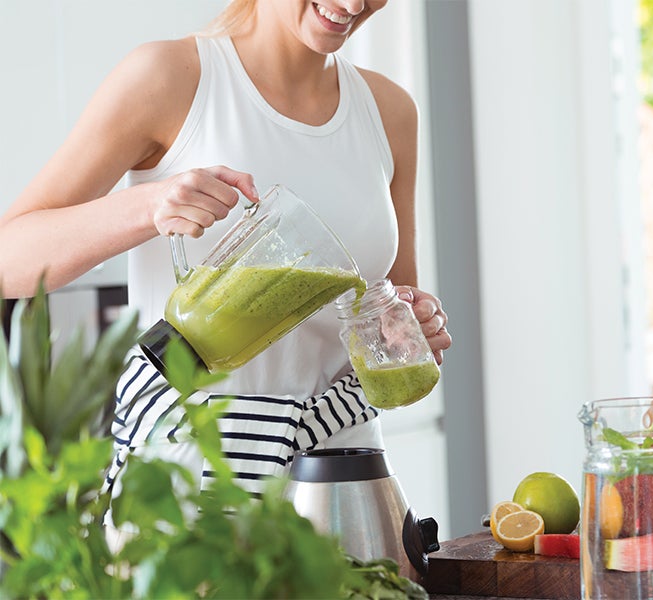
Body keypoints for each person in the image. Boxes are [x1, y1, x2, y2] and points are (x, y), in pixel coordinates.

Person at [0, 0, 451, 499]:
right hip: (192, 478)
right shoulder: (171, 78)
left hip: (340, 475)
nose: (352, 5)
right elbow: (7, 258)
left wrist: (412, 324)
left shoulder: (389, 110)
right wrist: (148, 205)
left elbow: (394, 300)